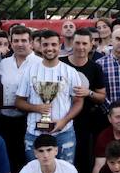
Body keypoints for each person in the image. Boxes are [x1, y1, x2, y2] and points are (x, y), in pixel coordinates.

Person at [15, 29, 86, 165]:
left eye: (53, 45)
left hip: (63, 133)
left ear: (59, 46)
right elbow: (19, 102)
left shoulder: (70, 72)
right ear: (39, 47)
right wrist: (37, 108)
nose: (49, 48)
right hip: (35, 133)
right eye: (45, 45)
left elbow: (78, 102)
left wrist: (64, 121)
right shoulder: (29, 71)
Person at [62, 28, 107, 173]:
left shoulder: (95, 68)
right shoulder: (61, 63)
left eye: (84, 43)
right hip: (63, 119)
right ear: (72, 43)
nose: (81, 47)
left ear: (91, 45)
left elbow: (102, 96)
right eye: (78, 43)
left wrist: (88, 93)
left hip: (87, 120)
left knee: (83, 158)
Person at [0, 24, 35, 173]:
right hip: (5, 118)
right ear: (10, 42)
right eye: (16, 40)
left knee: (26, 157)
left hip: (28, 118)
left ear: (31, 42)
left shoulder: (38, 62)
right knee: (7, 157)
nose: (20, 44)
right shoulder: (4, 63)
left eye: (24, 40)